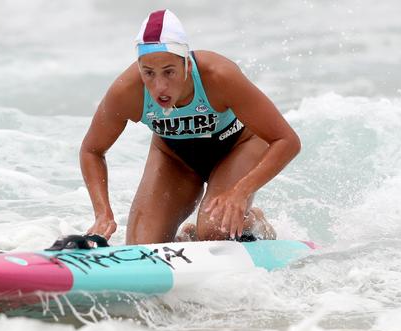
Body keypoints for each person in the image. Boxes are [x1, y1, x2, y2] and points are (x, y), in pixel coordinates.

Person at [80, 9, 300, 244]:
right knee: (142, 247)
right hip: (176, 157)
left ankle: (254, 219)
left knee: (214, 231)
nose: (159, 86)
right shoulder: (126, 92)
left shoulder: (219, 76)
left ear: (187, 65)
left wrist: (241, 191)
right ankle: (191, 236)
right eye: (149, 73)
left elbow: (287, 141)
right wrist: (102, 213)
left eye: (169, 72)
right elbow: (91, 151)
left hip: (238, 147)